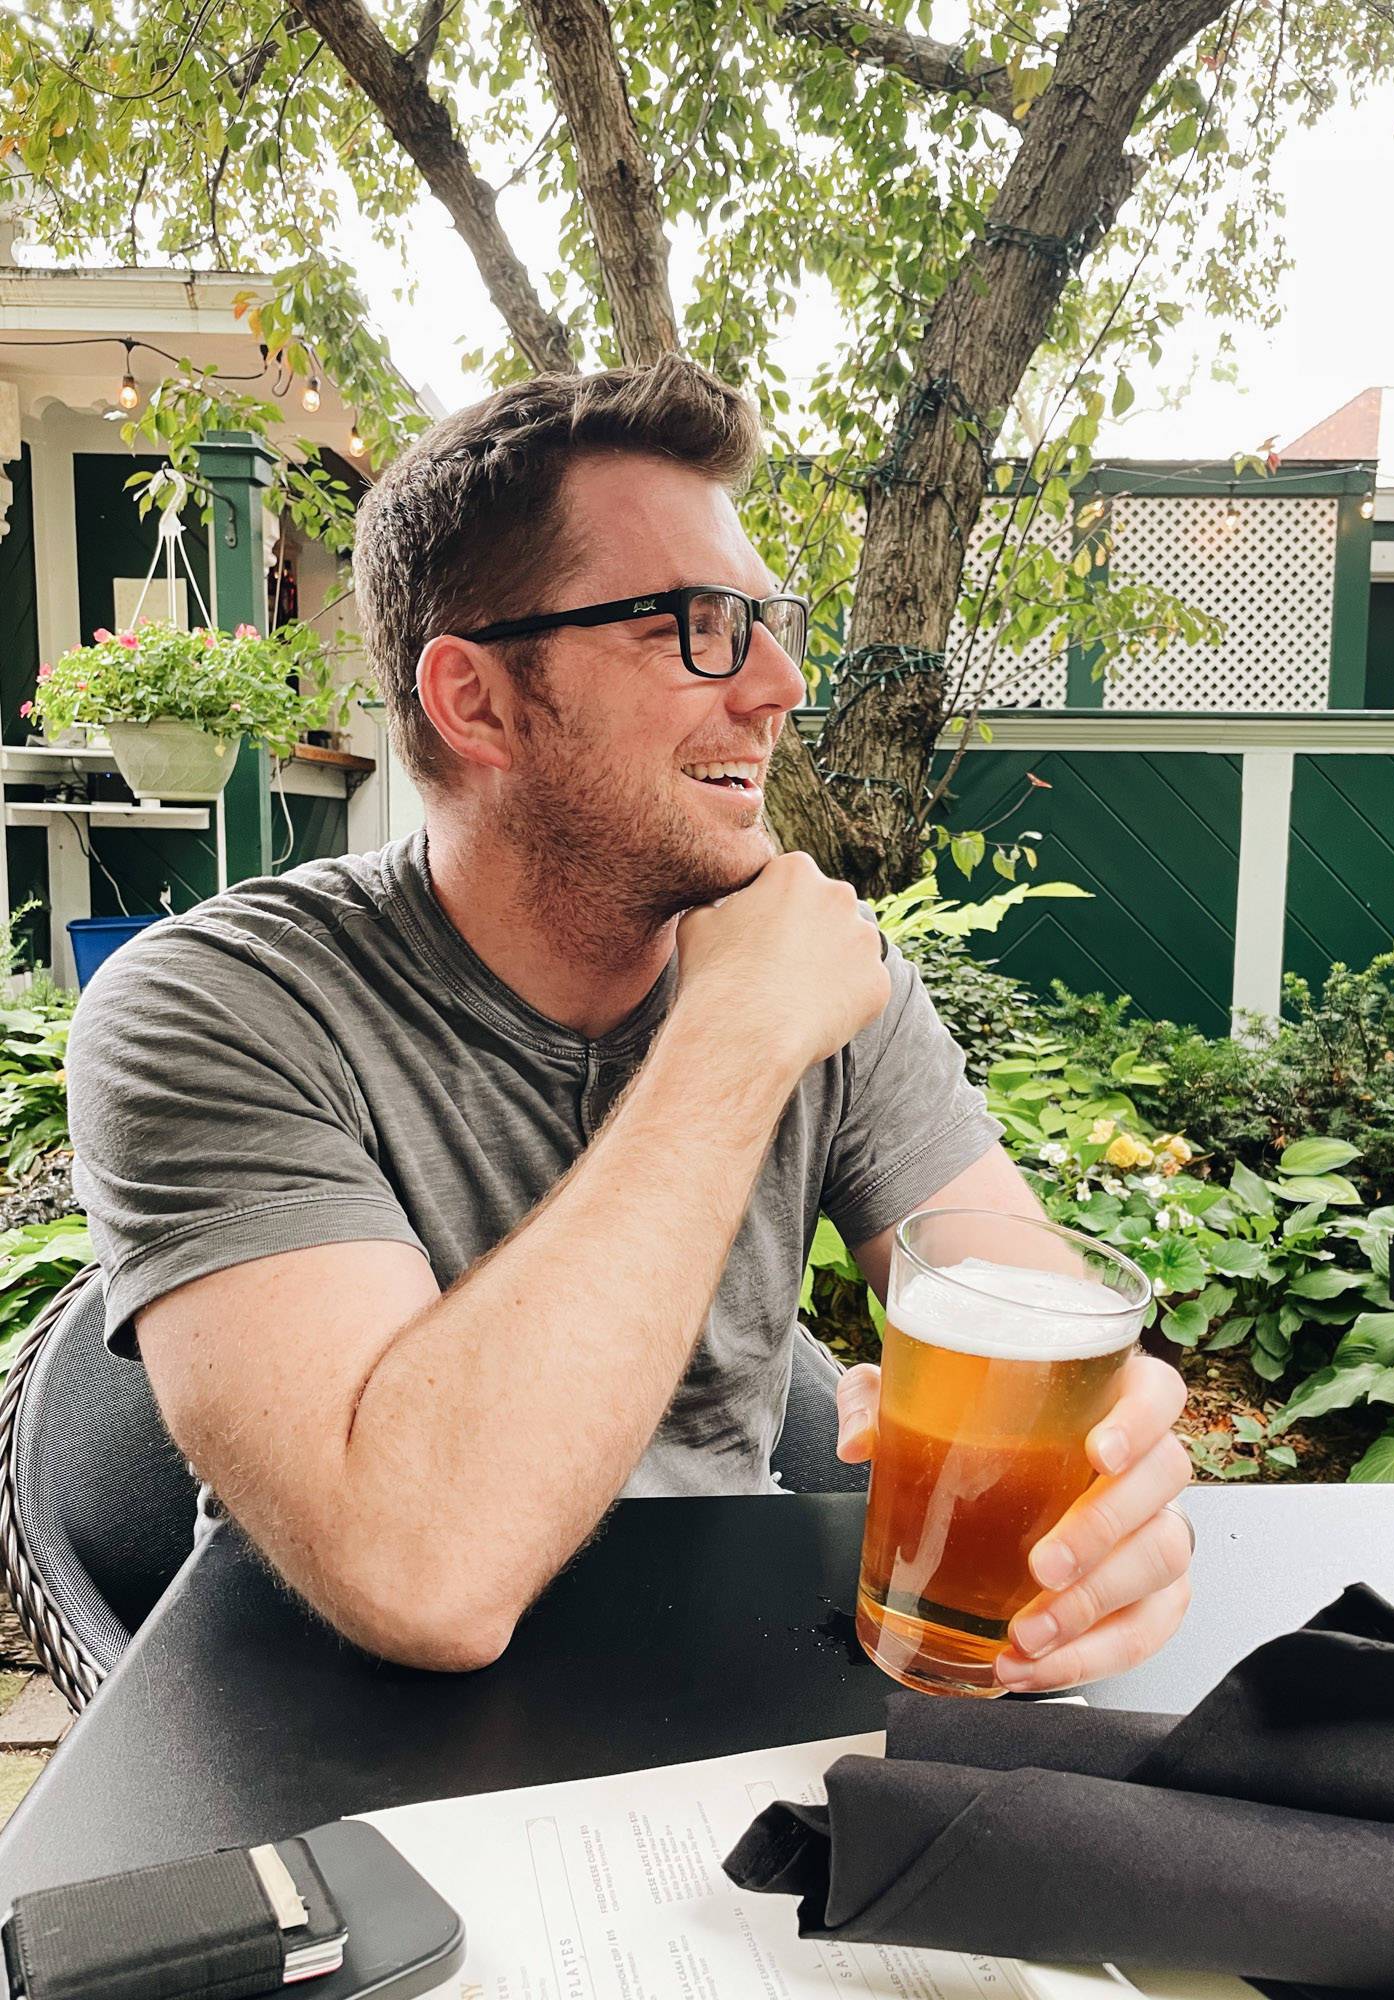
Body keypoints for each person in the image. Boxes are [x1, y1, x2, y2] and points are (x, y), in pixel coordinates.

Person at [67, 354, 1191, 1685]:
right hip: (343, 1735)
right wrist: (731, 1043)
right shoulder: (218, 1007)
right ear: (472, 699)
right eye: (694, 625)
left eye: (770, 621)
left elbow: (1025, 1301)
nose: (775, 685)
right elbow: (422, 1574)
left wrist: (1108, 1492)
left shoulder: (826, 982)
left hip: (715, 1679)